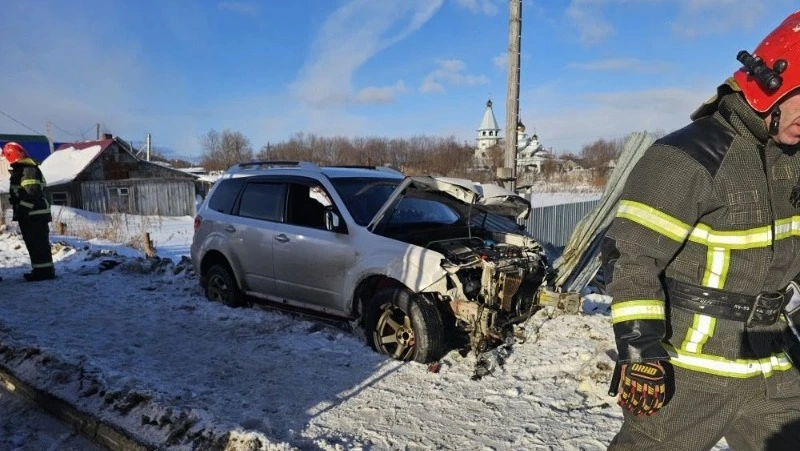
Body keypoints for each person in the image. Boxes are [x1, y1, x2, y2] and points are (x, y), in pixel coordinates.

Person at [601, 11, 800, 451]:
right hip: (686, 373)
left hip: (771, 366)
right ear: (772, 86)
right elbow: (632, 259)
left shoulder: (795, 160)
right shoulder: (684, 158)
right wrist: (641, 351)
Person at [3, 142, 55, 281]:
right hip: (30, 214)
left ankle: (45, 272)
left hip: (34, 214)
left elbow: (32, 192)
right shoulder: (22, 169)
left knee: (38, 244)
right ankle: (39, 270)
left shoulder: (28, 169)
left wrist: (22, 210)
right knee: (33, 244)